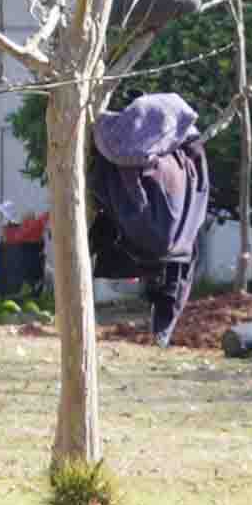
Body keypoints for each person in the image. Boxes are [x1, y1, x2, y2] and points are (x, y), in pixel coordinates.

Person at [88, 87, 210, 346]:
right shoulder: (186, 152)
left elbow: (103, 182)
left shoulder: (117, 140)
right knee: (174, 273)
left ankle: (160, 332)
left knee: (171, 269)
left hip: (155, 237)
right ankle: (161, 332)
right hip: (175, 242)